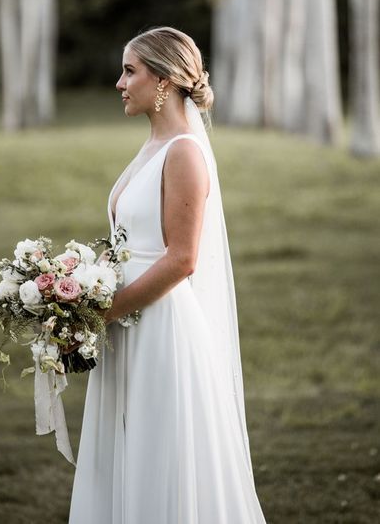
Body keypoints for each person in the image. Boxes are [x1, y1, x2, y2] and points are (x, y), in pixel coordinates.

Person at [68, 27, 267, 523]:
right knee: (128, 452)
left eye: (129, 71)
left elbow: (182, 259)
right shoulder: (153, 148)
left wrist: (103, 311)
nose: (119, 83)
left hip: (160, 331)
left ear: (163, 81)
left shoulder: (183, 152)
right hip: (128, 325)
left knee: (160, 456)